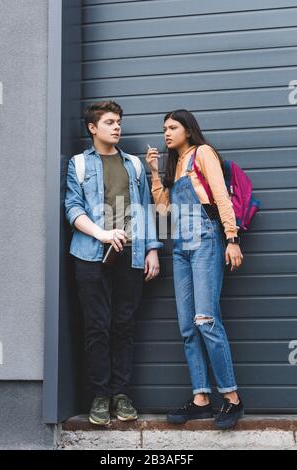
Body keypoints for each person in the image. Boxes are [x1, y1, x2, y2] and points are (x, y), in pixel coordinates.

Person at [65, 101, 162, 425]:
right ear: (93, 128)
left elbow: (146, 208)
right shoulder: (78, 164)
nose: (117, 127)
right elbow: (72, 209)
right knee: (97, 328)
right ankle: (99, 396)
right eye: (109, 122)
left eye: (118, 122)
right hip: (90, 257)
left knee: (123, 327)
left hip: (131, 257)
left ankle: (120, 394)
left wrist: (152, 250)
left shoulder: (133, 165)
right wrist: (103, 234)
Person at [146, 109, 244, 430]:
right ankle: (201, 398)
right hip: (180, 247)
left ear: (188, 129)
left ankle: (231, 398)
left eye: (172, 127)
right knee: (188, 327)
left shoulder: (203, 153)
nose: (167, 133)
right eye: (164, 129)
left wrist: (231, 237)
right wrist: (154, 173)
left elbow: (220, 196)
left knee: (206, 319)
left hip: (205, 240)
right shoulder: (175, 166)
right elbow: (164, 211)